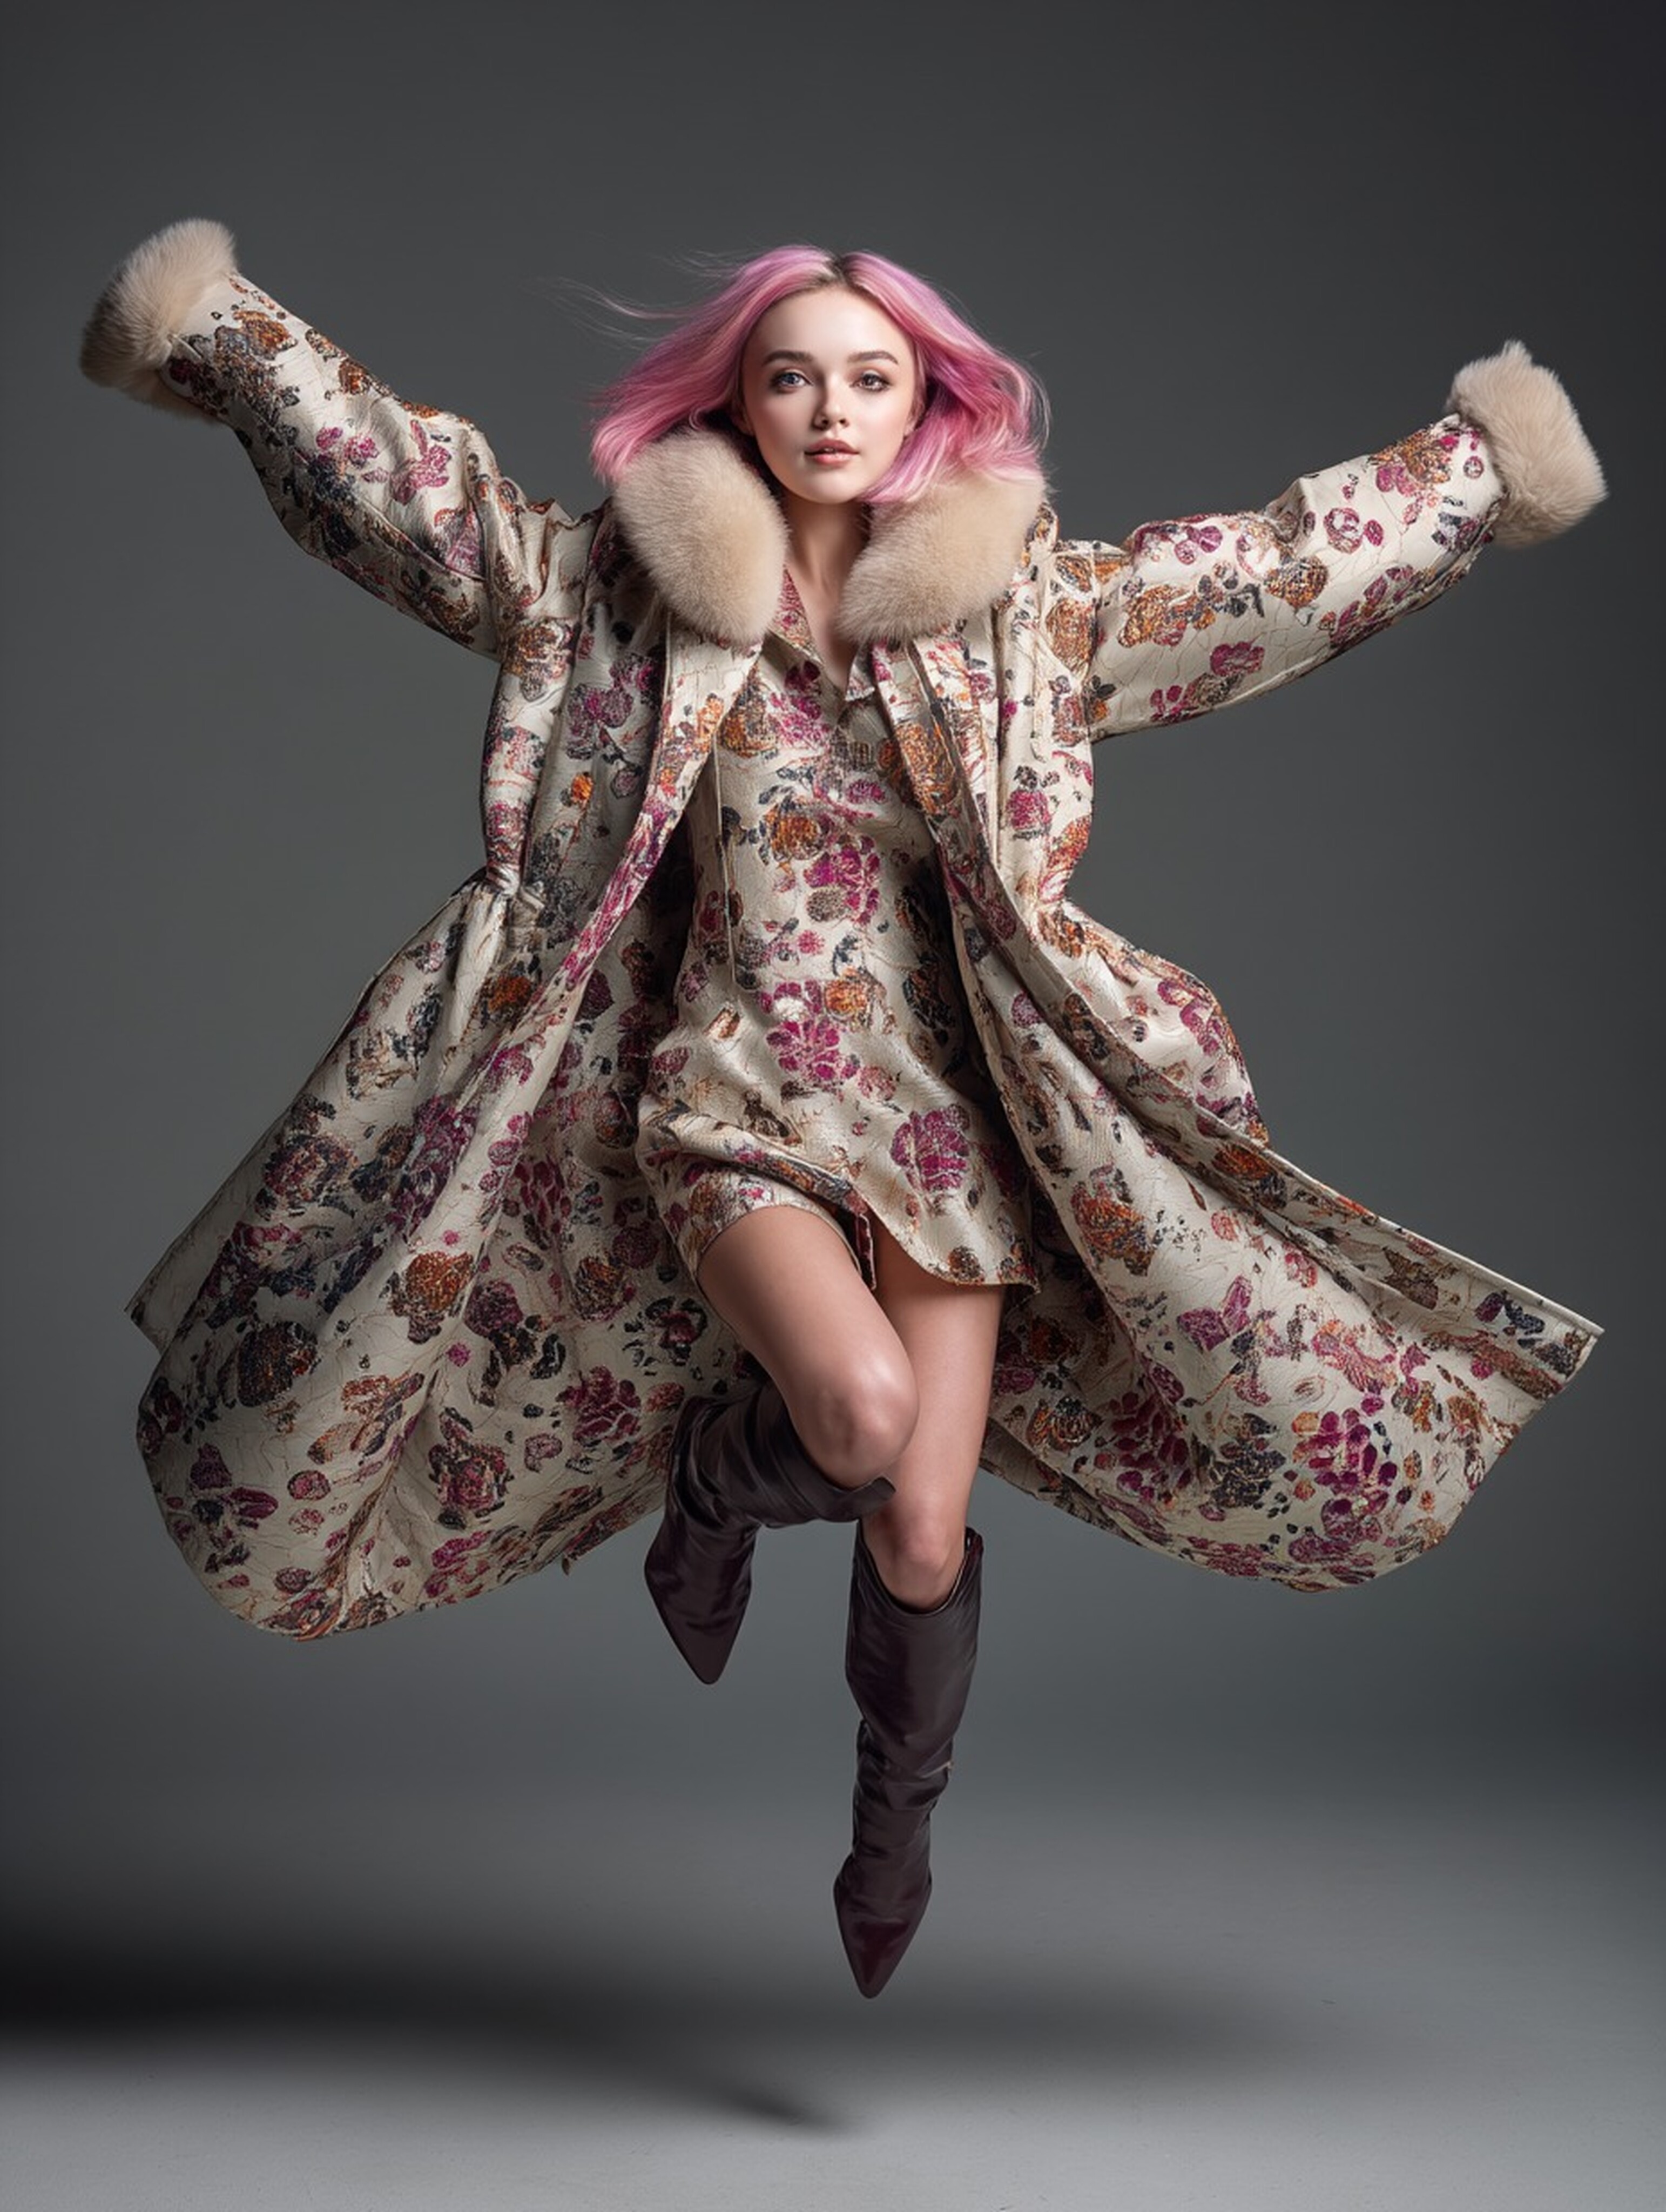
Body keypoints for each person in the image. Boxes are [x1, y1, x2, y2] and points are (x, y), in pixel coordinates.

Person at [81, 220, 1605, 1999]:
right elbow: (418, 495)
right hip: (731, 1096)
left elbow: (1270, 576)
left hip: (958, 1130)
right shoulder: (622, 589)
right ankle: (708, 1493)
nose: (828, 410)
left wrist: (1480, 467)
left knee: (923, 1529)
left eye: (869, 379)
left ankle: (892, 1840)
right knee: (864, 1417)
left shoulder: (1023, 608)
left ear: (925, 401)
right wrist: (220, 335)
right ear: (736, 397)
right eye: (790, 376)